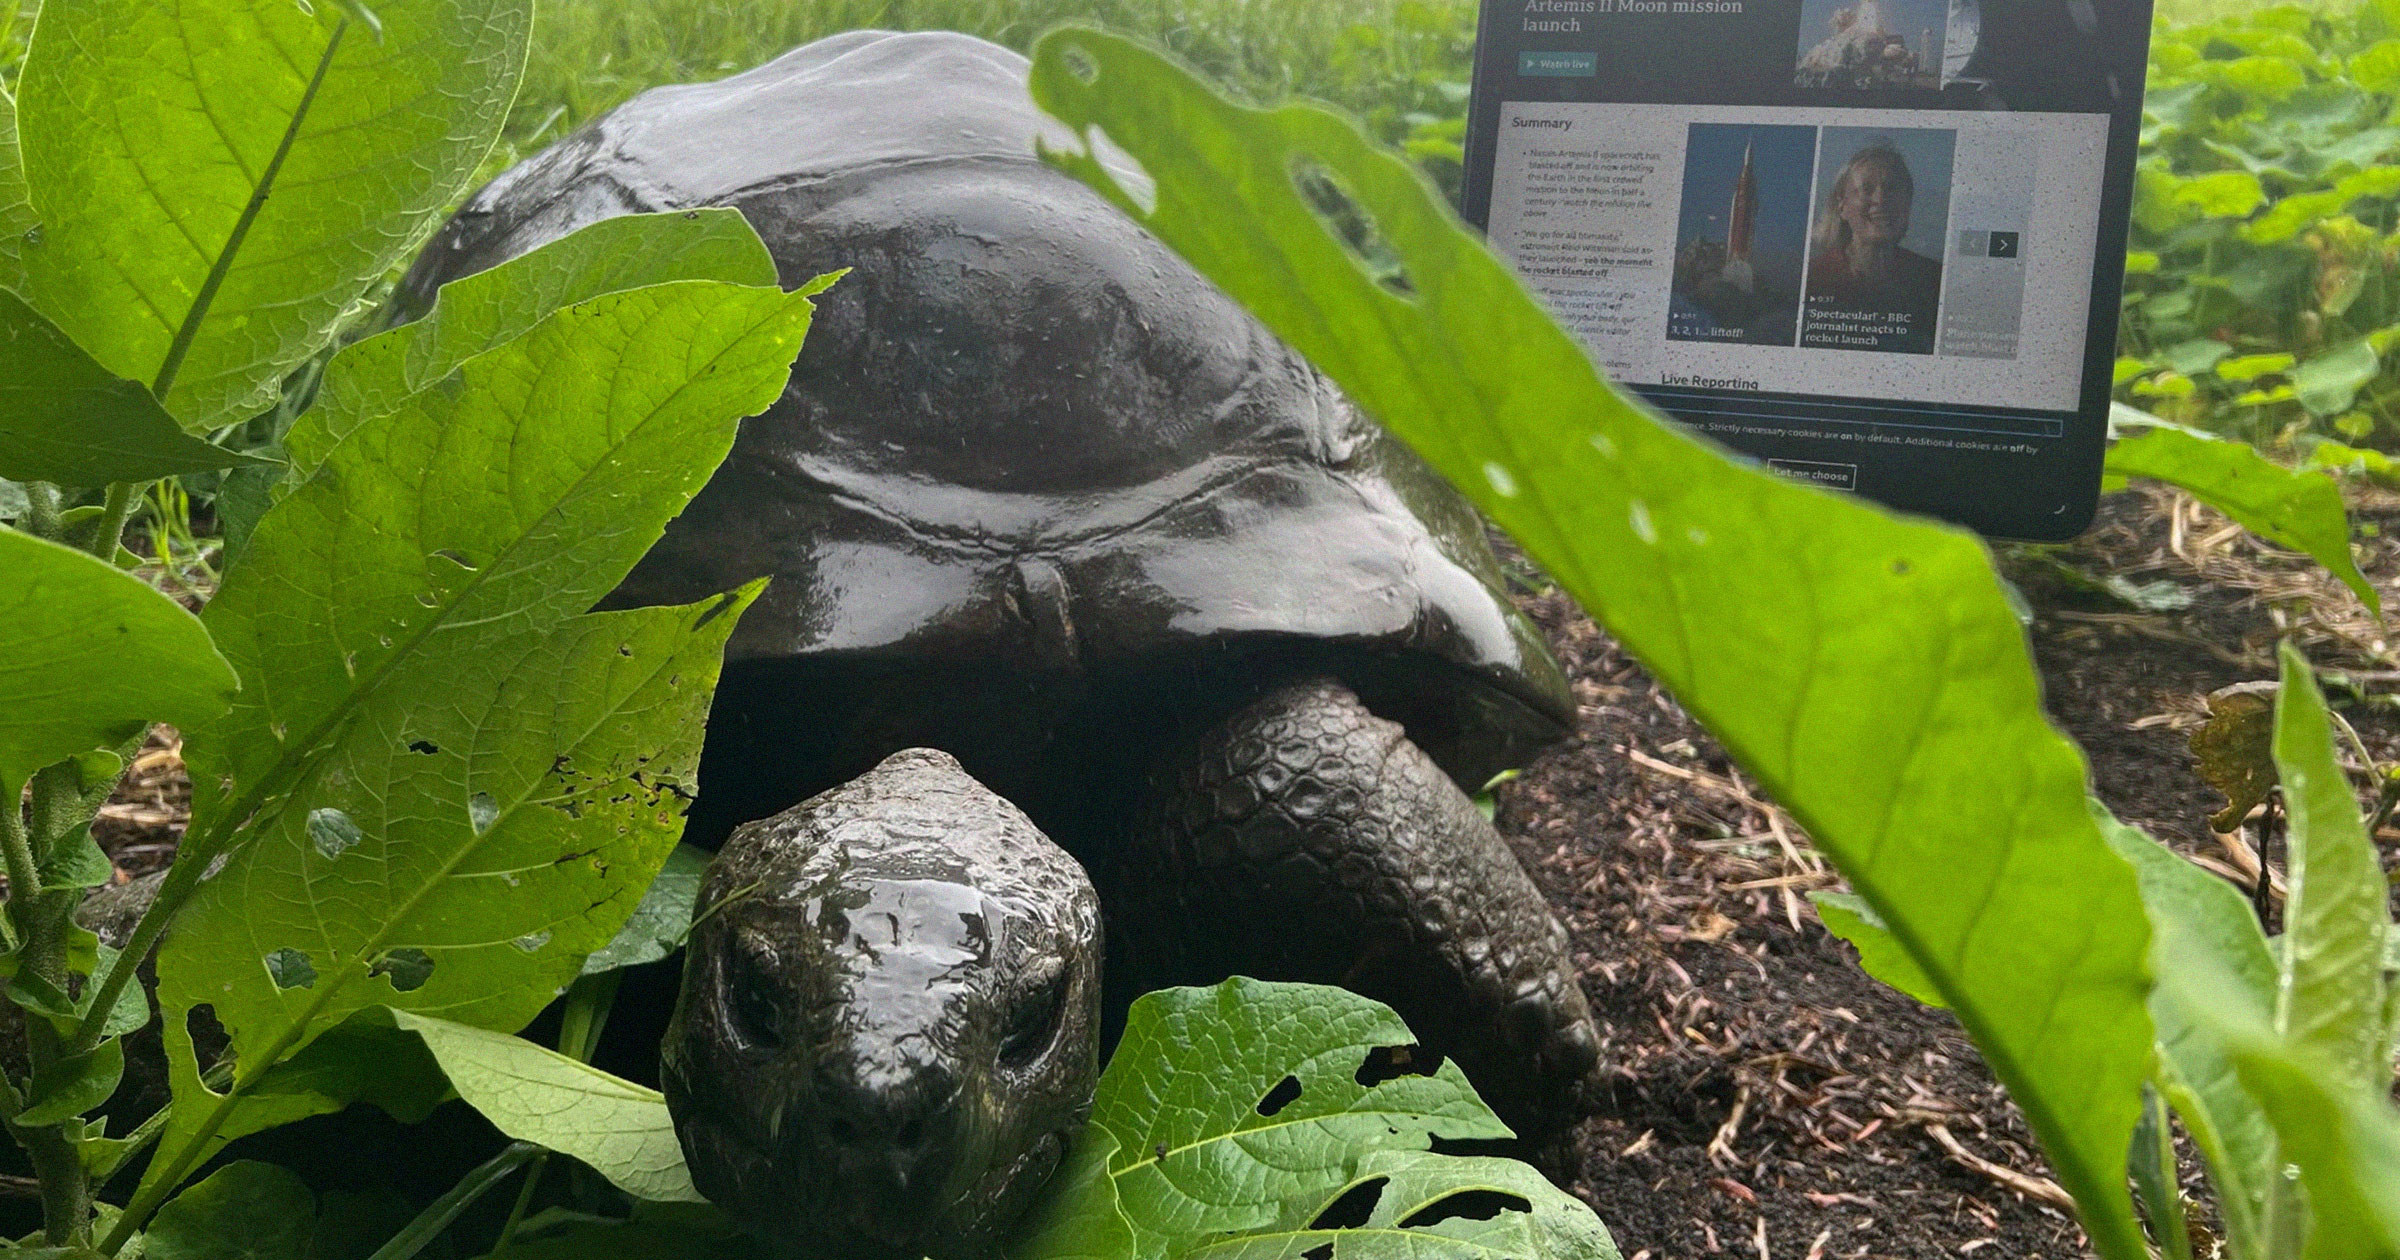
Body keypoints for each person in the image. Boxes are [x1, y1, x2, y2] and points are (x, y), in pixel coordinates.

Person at [1804, 141, 1942, 351]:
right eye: (1866, 189)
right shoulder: (1811, 279)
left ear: (1908, 202)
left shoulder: (1934, 280)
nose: (1881, 199)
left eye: (1893, 189)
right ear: (1842, 205)